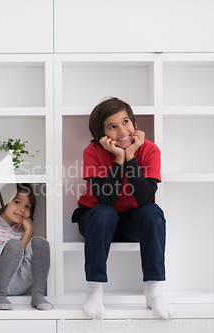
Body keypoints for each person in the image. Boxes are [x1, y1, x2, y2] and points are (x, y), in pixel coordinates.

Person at [72, 97, 174, 320]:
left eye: (125, 121)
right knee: (104, 212)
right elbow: (105, 200)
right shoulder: (92, 151)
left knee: (153, 212)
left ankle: (153, 292)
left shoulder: (149, 150)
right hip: (95, 220)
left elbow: (146, 197)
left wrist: (131, 158)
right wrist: (119, 159)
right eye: (112, 126)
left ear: (134, 123)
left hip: (130, 221)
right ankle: (94, 291)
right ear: (102, 134)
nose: (122, 130)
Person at [0, 183, 52, 310]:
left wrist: (29, 230)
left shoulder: (23, 230)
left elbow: (22, 255)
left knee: (41, 243)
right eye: (17, 202)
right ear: (3, 201)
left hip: (18, 282)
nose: (22, 209)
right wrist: (4, 254)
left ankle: (37, 294)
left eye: (28, 206)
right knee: (14, 245)